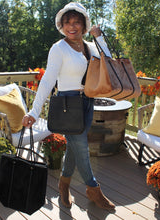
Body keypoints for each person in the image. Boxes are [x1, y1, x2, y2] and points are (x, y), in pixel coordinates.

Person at [22, 2, 115, 211]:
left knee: (74, 149)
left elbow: (107, 60)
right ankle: (93, 189)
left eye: (76, 22)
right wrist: (34, 111)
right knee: (81, 148)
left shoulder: (89, 47)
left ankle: (63, 184)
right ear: (61, 26)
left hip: (87, 102)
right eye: (67, 23)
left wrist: (98, 37)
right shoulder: (58, 48)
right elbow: (47, 81)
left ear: (83, 25)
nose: (72, 27)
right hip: (67, 105)